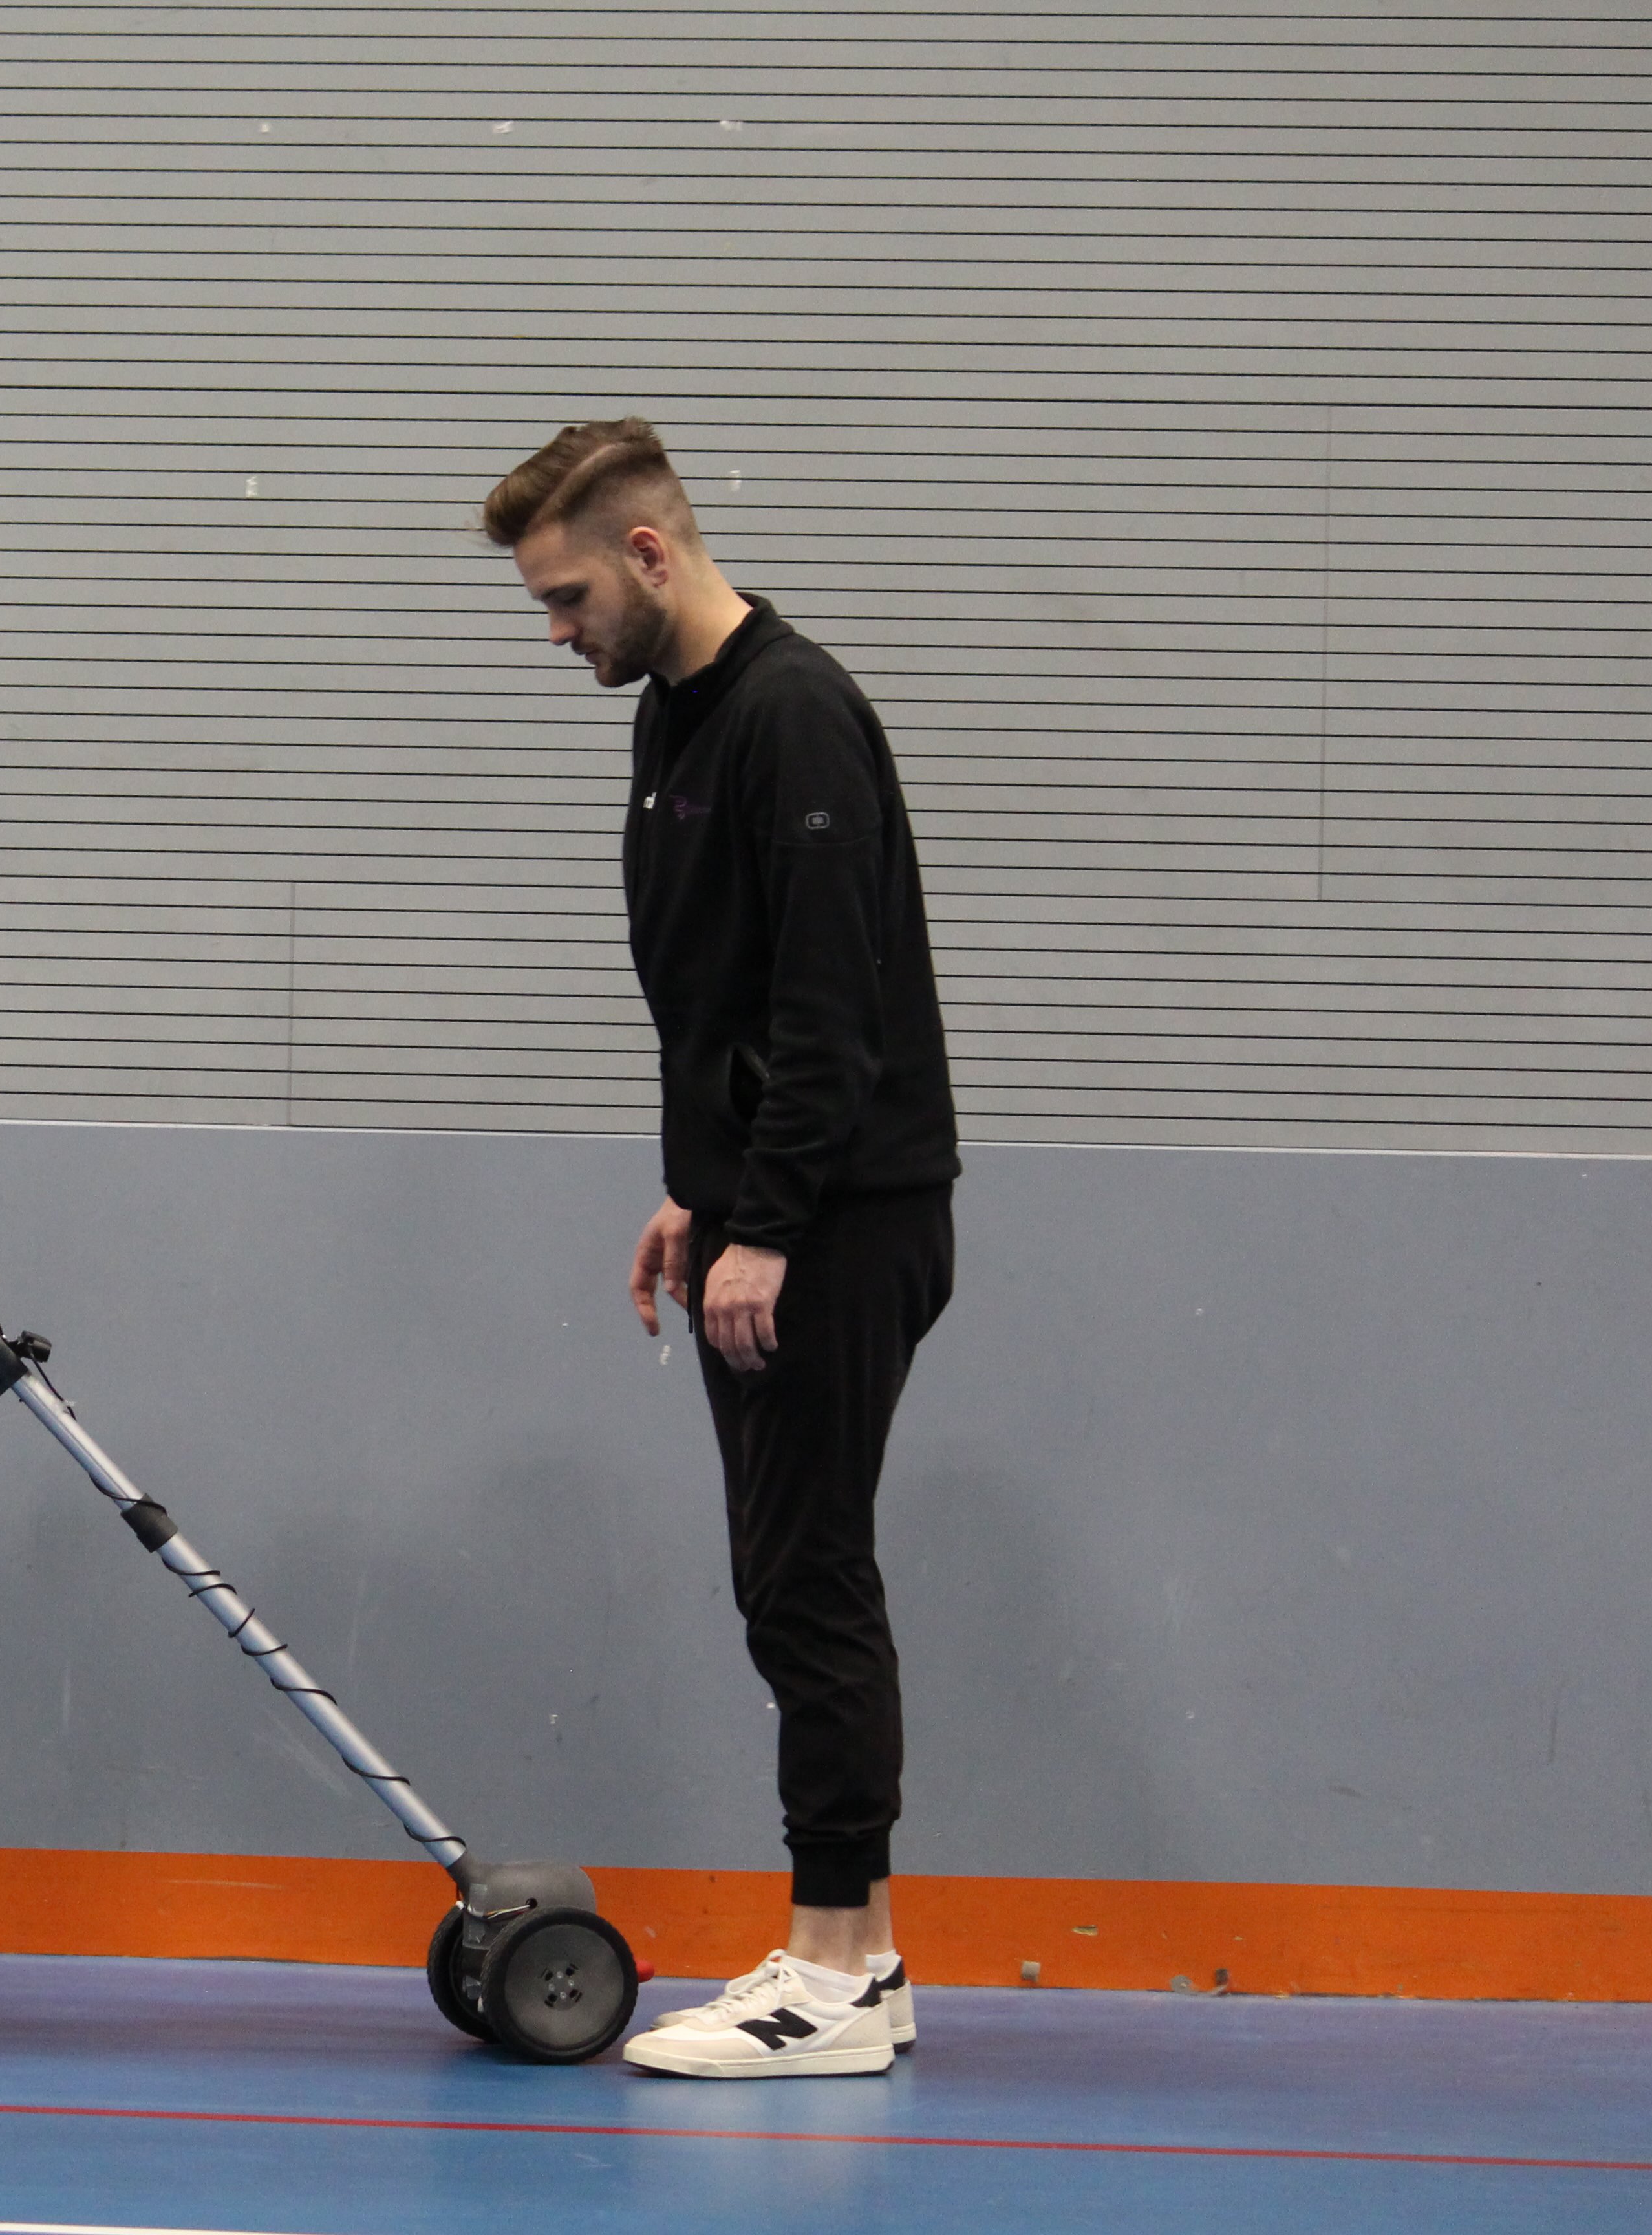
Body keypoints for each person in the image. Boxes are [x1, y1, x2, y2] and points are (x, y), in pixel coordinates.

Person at [484, 419, 961, 2078]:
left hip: (843, 1224)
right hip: (774, 1207)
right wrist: (708, 1189)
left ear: (649, 553)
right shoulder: (678, 713)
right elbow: (724, 997)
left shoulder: (793, 713)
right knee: (787, 1575)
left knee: (806, 1579)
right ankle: (856, 1956)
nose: (557, 634)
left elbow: (834, 1005)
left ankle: (835, 1975)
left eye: (566, 600)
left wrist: (771, 1217)